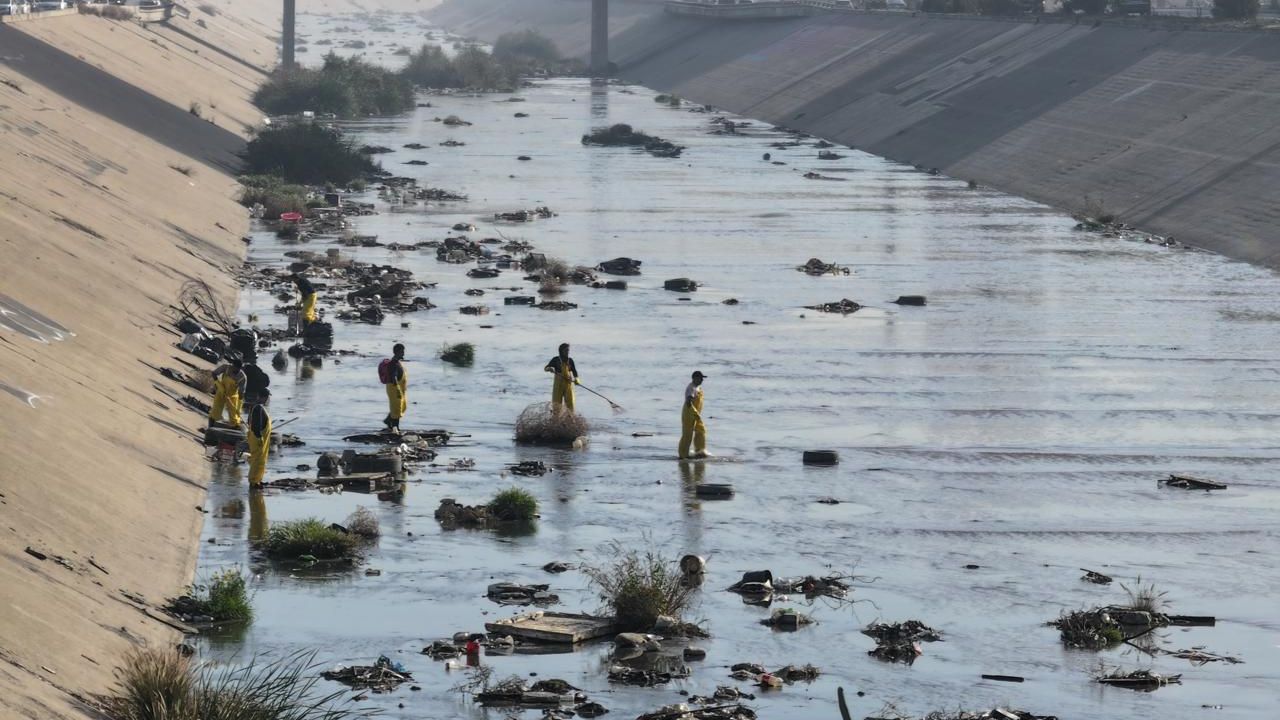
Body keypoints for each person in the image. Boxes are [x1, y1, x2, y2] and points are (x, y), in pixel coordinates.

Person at [208, 356, 247, 427]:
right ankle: (211, 427)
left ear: (240, 368)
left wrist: (238, 408)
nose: (234, 370)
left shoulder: (242, 377)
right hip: (221, 392)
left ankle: (234, 429)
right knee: (215, 412)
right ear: (232, 365)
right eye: (234, 367)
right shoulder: (225, 367)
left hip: (232, 396)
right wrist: (219, 385)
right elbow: (214, 373)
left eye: (237, 369)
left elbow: (241, 394)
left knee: (234, 417)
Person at [679, 371, 708, 460]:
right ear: (695, 378)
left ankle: (700, 451)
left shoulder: (698, 388)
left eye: (702, 378)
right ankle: (683, 455)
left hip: (695, 414)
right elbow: (688, 401)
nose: (702, 380)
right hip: (689, 413)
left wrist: (696, 414)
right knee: (687, 435)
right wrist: (693, 411)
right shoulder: (691, 388)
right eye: (700, 378)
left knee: (701, 430)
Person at [380, 343, 407, 433]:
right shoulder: (393, 364)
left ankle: (388, 420)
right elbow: (394, 377)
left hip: (399, 389)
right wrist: (398, 390)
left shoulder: (398, 362)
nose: (403, 353)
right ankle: (396, 428)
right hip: (394, 388)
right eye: (402, 351)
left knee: (401, 407)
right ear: (397, 352)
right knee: (396, 409)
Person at [544, 343, 579, 413]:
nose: (568, 352)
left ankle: (570, 418)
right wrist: (550, 368)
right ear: (561, 351)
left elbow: (574, 371)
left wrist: (576, 379)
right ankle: (556, 418)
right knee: (556, 403)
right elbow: (546, 368)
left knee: (570, 403)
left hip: (568, 384)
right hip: (558, 385)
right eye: (566, 350)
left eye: (568, 350)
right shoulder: (555, 359)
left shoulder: (570, 361)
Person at [246, 388, 271, 487]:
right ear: (264, 397)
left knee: (258, 460)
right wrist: (259, 438)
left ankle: (257, 480)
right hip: (258, 439)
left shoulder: (254, 406)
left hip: (254, 437)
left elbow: (249, 422)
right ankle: (254, 481)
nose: (268, 400)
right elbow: (257, 424)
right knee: (258, 461)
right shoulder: (259, 408)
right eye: (268, 397)